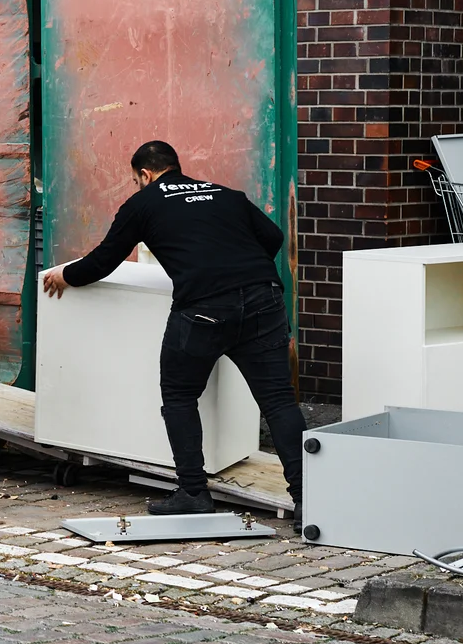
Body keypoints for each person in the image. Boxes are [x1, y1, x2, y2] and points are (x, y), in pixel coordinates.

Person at [41, 140, 305, 522]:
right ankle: (307, 501)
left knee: (180, 396)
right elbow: (274, 237)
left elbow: (104, 259)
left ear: (145, 175)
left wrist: (65, 274)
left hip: (204, 309)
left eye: (136, 180)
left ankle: (194, 492)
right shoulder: (225, 194)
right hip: (265, 299)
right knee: (279, 401)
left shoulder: (143, 203)